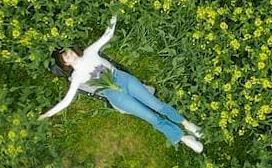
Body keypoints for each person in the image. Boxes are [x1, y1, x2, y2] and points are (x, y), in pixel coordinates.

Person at [41, 14, 204, 152]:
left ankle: (187, 123)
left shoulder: (89, 52)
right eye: (66, 57)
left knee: (156, 104)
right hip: (114, 95)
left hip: (123, 79)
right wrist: (47, 114)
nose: (70, 55)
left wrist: (114, 13)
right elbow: (66, 101)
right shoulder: (76, 77)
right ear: (65, 63)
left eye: (69, 52)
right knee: (150, 117)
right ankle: (183, 138)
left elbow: (107, 35)